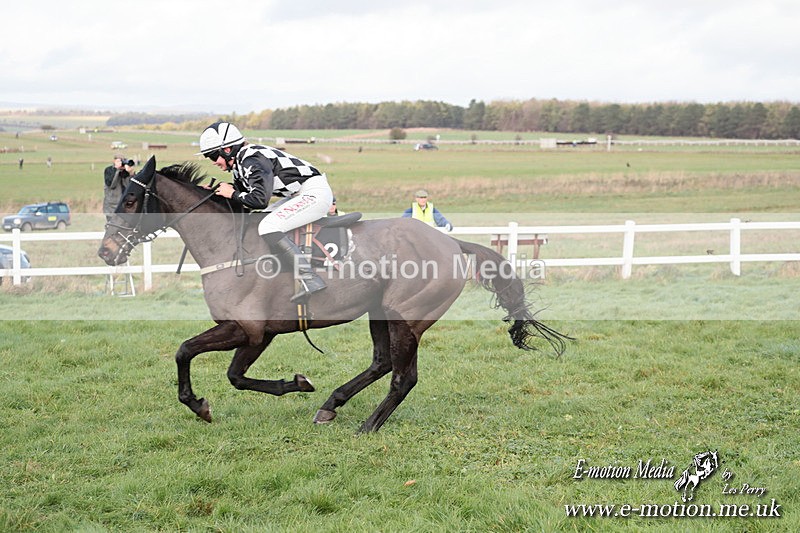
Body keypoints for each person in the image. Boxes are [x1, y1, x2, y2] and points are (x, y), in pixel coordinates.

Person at [197, 121, 333, 302]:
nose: (214, 162)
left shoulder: (251, 159)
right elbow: (242, 196)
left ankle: (310, 279)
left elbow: (259, 200)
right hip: (299, 194)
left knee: (268, 226)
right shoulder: (241, 163)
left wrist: (233, 193)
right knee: (258, 221)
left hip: (314, 193)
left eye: (213, 156)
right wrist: (214, 193)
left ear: (227, 150)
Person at [103, 155, 130, 221]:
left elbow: (129, 185)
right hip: (112, 205)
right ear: (114, 161)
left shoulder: (124, 172)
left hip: (123, 204)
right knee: (112, 226)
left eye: (122, 161)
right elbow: (112, 185)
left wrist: (130, 172)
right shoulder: (109, 170)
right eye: (118, 161)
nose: (120, 163)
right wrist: (117, 171)